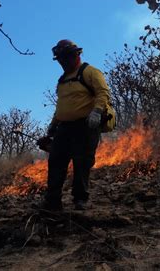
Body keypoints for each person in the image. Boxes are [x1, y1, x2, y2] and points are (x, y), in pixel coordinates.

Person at [39, 39, 110, 211]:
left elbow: (103, 93)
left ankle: (80, 200)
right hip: (64, 127)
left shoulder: (90, 72)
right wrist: (53, 125)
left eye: (67, 58)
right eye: (61, 59)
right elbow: (61, 106)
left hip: (85, 126)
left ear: (76, 55)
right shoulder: (62, 80)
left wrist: (97, 111)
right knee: (56, 161)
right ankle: (53, 201)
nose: (64, 62)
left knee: (82, 163)